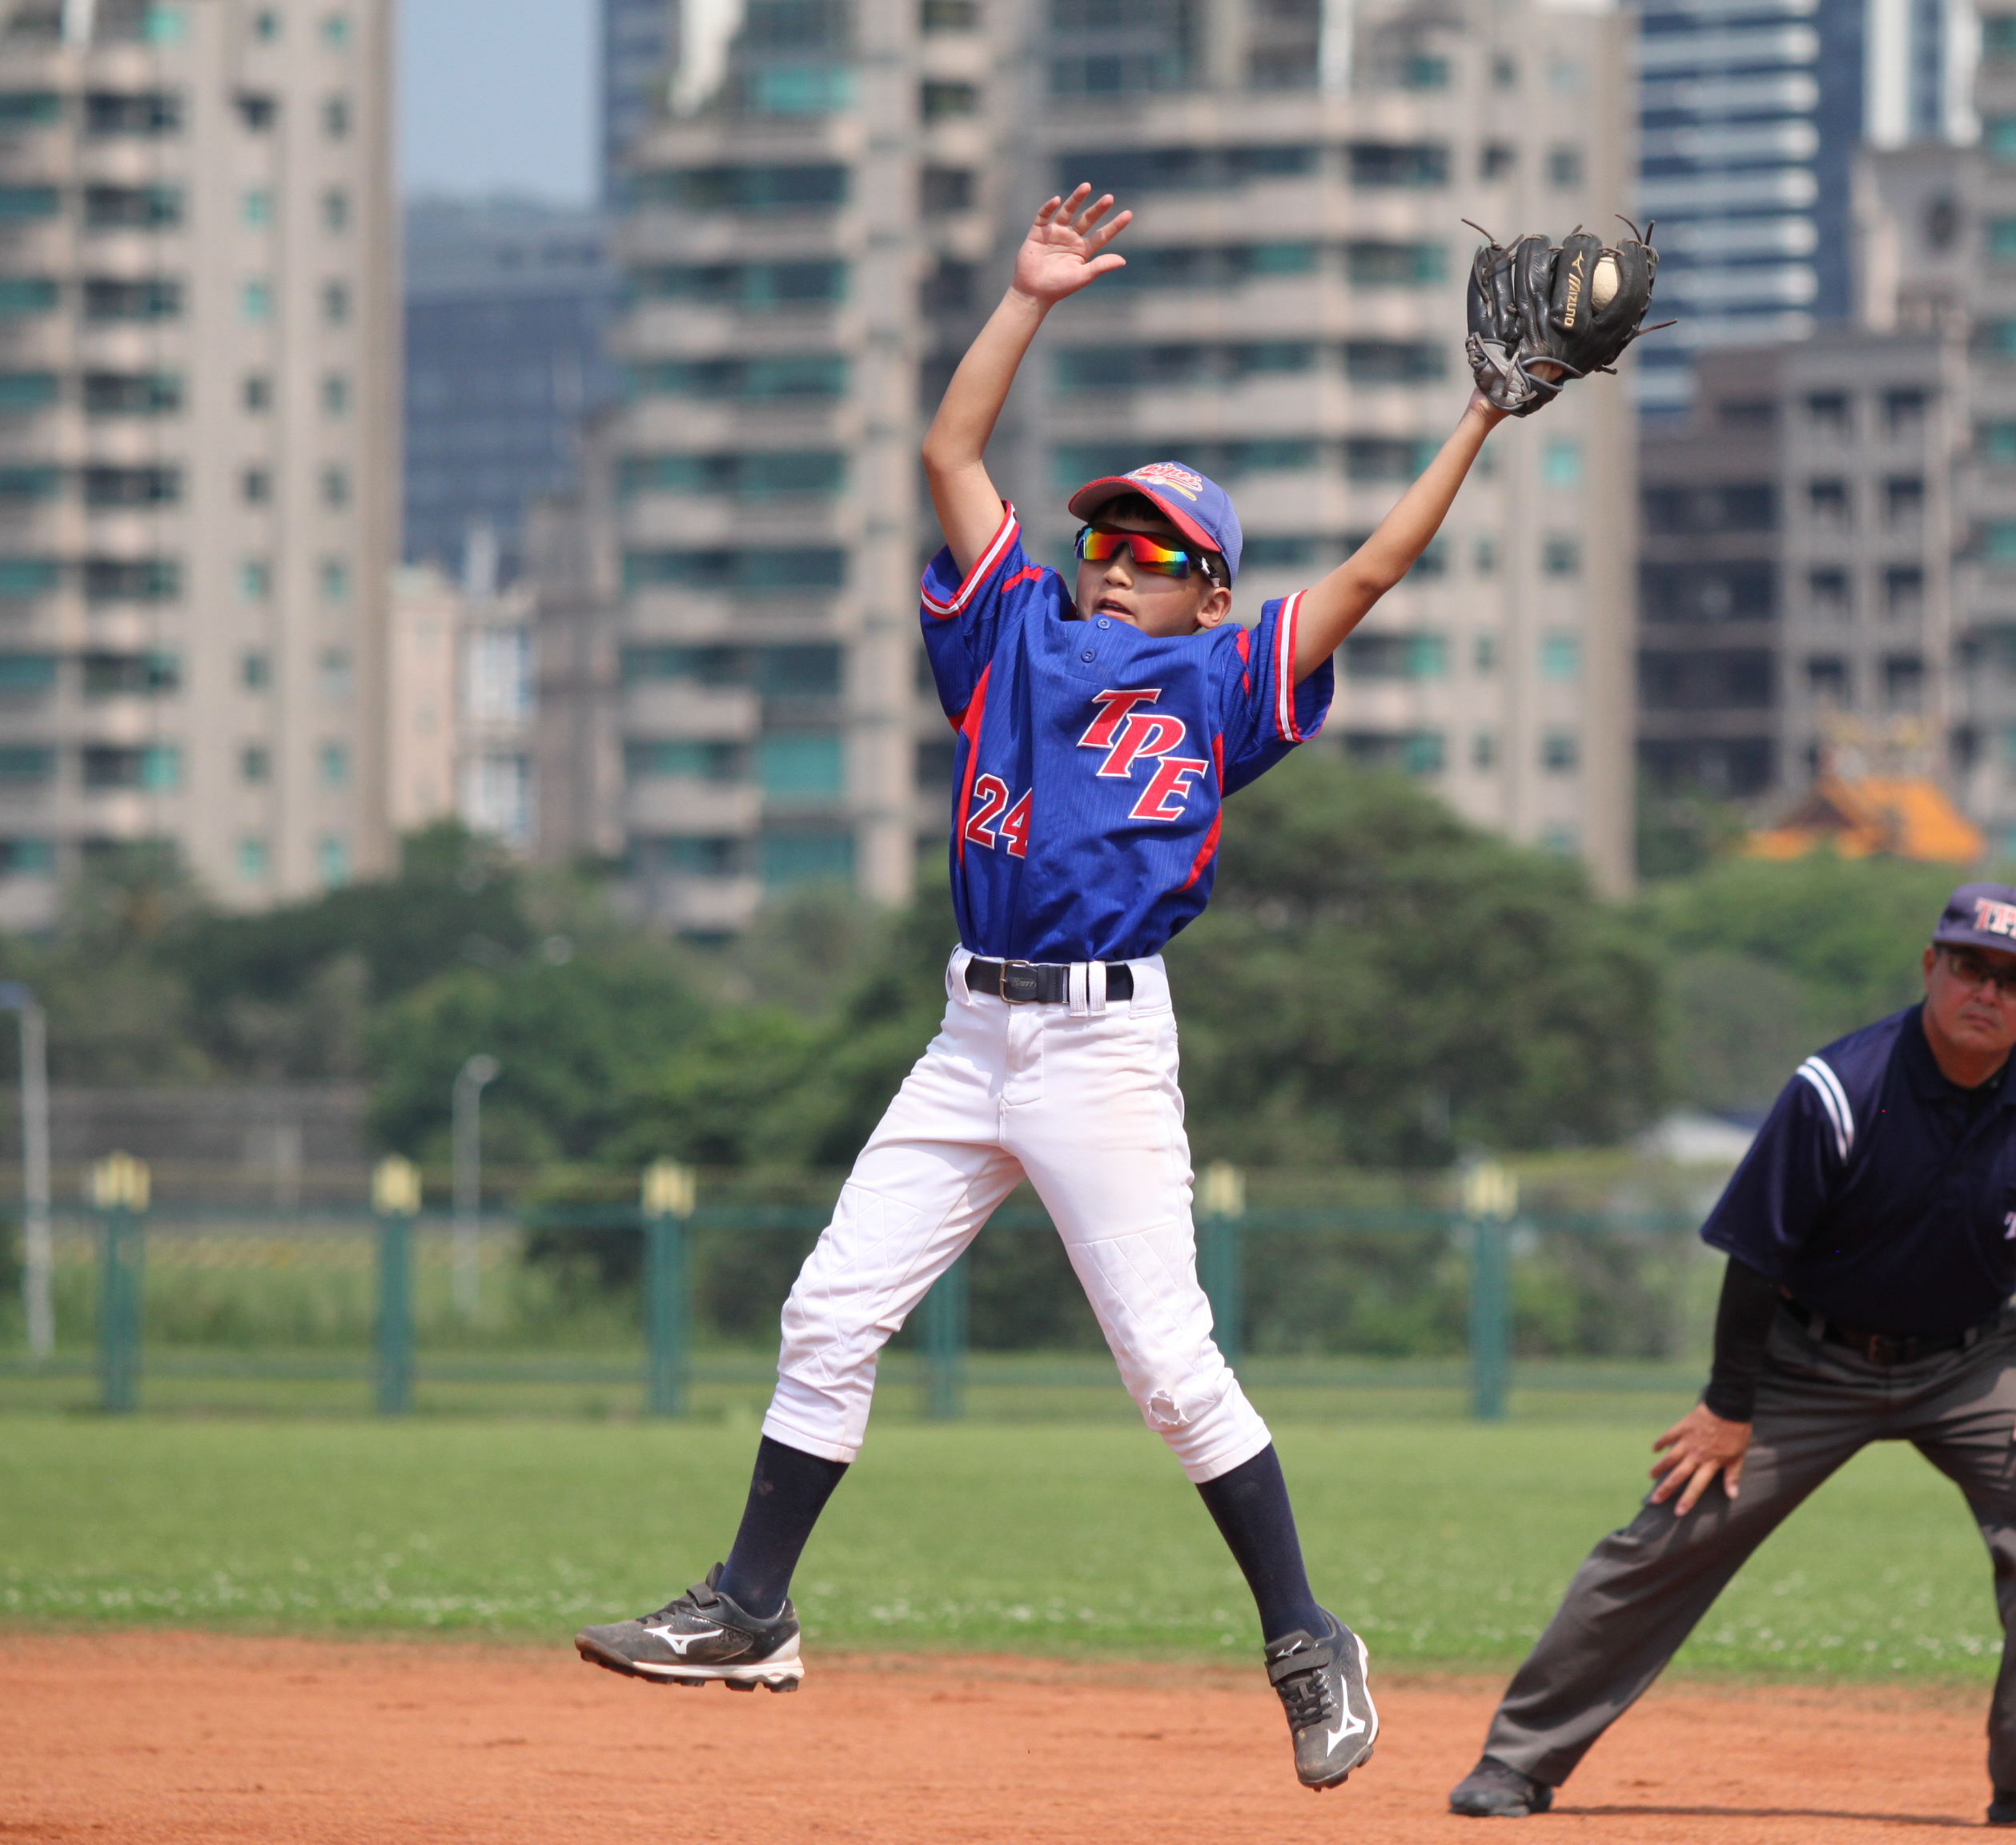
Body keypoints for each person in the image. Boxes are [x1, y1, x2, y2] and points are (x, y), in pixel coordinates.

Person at [576, 185, 1519, 1792]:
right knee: (828, 1311)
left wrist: (1482, 416)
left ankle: (1308, 1637)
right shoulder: (1014, 634)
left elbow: (1372, 569)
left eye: (1158, 548)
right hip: (971, 1031)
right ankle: (751, 1607)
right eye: (1106, 537)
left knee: (1168, 1366)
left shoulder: (1223, 677)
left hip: (1100, 1046)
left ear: (1211, 592)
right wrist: (1026, 300)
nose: (1118, 559)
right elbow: (950, 454)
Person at [1448, 884, 2016, 1834]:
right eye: (1970, 966)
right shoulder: (1841, 1088)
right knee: (1679, 1523)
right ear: (1932, 966)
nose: (1987, 991)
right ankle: (1517, 1758)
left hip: (1972, 1364)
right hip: (1805, 1357)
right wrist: (1728, 1407)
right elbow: (1757, 1255)